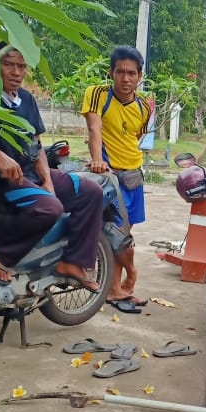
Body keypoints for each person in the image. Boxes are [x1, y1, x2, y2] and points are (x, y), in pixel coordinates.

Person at [0, 45, 105, 289]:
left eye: (21, 66)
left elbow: (35, 144)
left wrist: (47, 179)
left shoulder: (26, 99)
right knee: (50, 207)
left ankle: (73, 262)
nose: (16, 72)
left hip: (29, 175)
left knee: (91, 192)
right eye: (8, 64)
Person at [81, 45, 153, 312]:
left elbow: (133, 139)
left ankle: (115, 289)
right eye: (120, 72)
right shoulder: (98, 94)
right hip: (110, 177)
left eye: (132, 73)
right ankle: (126, 279)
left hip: (134, 177)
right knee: (117, 237)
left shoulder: (144, 108)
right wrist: (99, 159)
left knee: (123, 236)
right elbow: (94, 128)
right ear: (111, 72)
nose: (126, 78)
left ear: (140, 76)